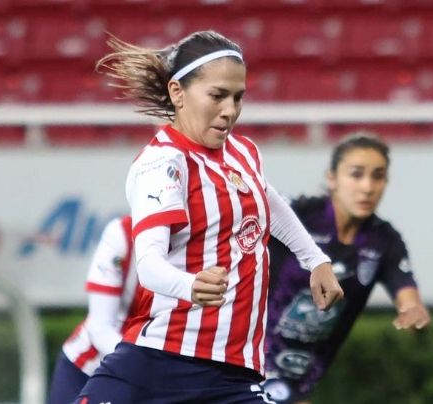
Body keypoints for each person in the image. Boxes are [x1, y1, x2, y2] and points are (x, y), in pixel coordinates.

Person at [75, 30, 344, 403]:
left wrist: (315, 259)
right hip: (158, 364)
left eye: (238, 98)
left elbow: (270, 202)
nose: (230, 110)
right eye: (217, 96)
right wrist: (191, 286)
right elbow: (150, 265)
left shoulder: (243, 151)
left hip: (233, 376)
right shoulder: (163, 164)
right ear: (177, 92)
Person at [262, 133, 432, 404]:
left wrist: (414, 314)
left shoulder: (384, 241)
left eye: (377, 176)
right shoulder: (297, 214)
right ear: (332, 178)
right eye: (356, 174)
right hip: (245, 358)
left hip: (301, 380)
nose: (367, 187)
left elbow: (408, 297)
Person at [46, 215, 146, 403]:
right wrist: (150, 369)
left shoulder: (208, 242)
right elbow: (100, 327)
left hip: (158, 373)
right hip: (89, 369)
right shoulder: (123, 232)